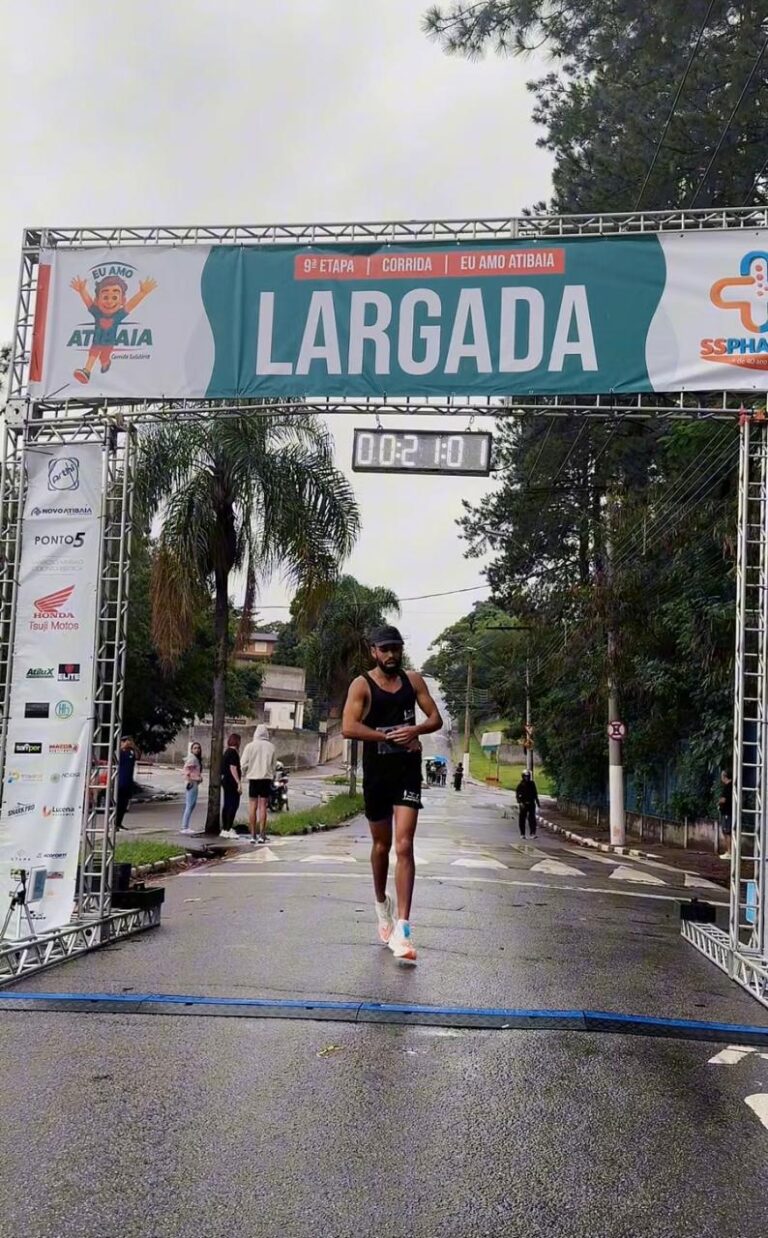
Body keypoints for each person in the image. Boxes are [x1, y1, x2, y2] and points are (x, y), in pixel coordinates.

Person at [342, 625, 442, 964]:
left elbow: (435, 718)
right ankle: (381, 904)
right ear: (373, 651)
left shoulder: (413, 681)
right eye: (384, 649)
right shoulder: (362, 685)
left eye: (395, 648)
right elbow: (349, 727)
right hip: (377, 774)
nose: (390, 654)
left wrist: (416, 729)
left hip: (407, 771)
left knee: (404, 845)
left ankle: (403, 928)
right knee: (382, 846)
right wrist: (387, 737)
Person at [240, 723, 276, 844]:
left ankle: (252, 835)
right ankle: (262, 834)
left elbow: (243, 764)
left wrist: (243, 774)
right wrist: (271, 775)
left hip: (253, 779)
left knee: (252, 806)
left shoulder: (249, 746)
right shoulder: (271, 747)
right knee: (263, 807)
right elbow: (273, 765)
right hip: (265, 779)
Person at [221, 733, 242, 837]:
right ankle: (228, 828)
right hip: (232, 782)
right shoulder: (233, 753)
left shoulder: (226, 752)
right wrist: (238, 782)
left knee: (227, 804)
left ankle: (225, 828)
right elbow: (233, 768)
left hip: (225, 781)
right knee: (234, 804)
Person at [180, 742, 204, 834]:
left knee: (191, 805)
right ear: (191, 750)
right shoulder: (192, 759)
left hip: (195, 782)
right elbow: (186, 770)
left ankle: (185, 826)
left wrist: (199, 778)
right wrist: (188, 780)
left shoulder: (195, 759)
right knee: (190, 805)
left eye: (198, 748)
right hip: (192, 783)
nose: (197, 750)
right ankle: (184, 827)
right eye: (195, 748)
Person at [115, 736, 137, 830]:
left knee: (124, 804)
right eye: (125, 741)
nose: (127, 743)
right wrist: (122, 747)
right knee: (118, 803)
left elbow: (138, 756)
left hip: (128, 781)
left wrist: (133, 746)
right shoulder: (118, 752)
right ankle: (114, 823)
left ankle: (119, 823)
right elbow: (114, 758)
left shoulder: (131, 752)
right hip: (120, 781)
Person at [516, 769, 540, 838]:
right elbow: (517, 795)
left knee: (532, 818)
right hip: (523, 804)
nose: (527, 778)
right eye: (525, 776)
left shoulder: (532, 784)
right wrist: (520, 802)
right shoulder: (520, 785)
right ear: (523, 776)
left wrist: (537, 802)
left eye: (528, 776)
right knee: (522, 819)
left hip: (531, 803)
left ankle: (532, 833)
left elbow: (535, 794)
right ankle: (522, 834)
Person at [718, 769, 733, 860]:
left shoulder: (728, 787)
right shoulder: (731, 786)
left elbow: (724, 799)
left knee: (727, 832)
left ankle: (729, 852)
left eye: (722, 776)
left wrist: (719, 801)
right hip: (728, 812)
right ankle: (729, 851)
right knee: (727, 832)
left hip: (727, 812)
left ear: (725, 776)